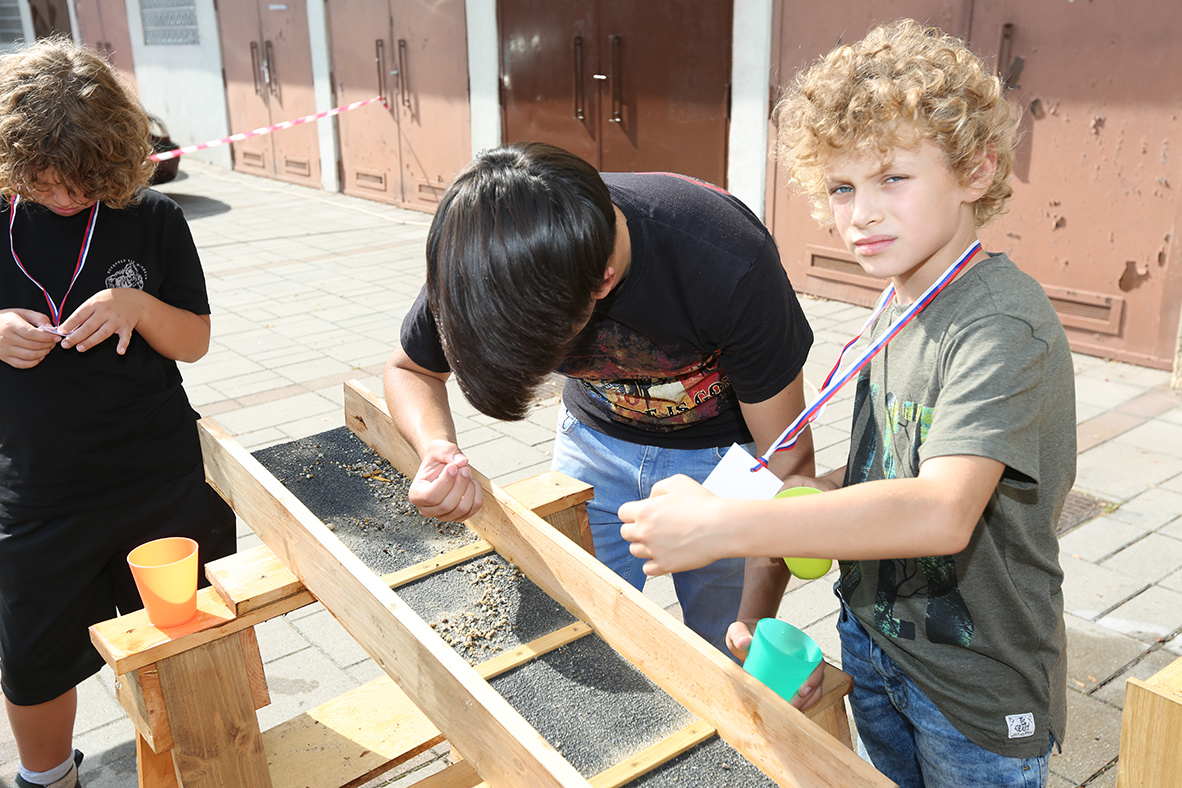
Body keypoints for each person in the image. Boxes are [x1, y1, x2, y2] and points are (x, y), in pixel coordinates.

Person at [619, 19, 1074, 788]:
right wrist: (802, 498)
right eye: (841, 187)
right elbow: (885, 471)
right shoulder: (899, 302)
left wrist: (721, 526)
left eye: (892, 178)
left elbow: (941, 510)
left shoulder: (1001, 325)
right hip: (877, 644)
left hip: (973, 688)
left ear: (975, 169)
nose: (860, 213)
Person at [384, 141, 817, 665]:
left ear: (602, 282)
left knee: (721, 648)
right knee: (576, 629)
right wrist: (435, 448)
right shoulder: (489, 255)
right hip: (591, 445)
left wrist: (750, 622)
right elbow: (410, 370)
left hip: (724, 462)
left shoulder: (728, 260)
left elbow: (787, 459)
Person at [0, 38, 236, 788]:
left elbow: (194, 340)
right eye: (46, 182)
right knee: (33, 656)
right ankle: (48, 777)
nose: (67, 197)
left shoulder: (152, 217)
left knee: (186, 636)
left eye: (84, 181)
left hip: (155, 475)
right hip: (37, 486)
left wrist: (138, 306)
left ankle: (205, 761)